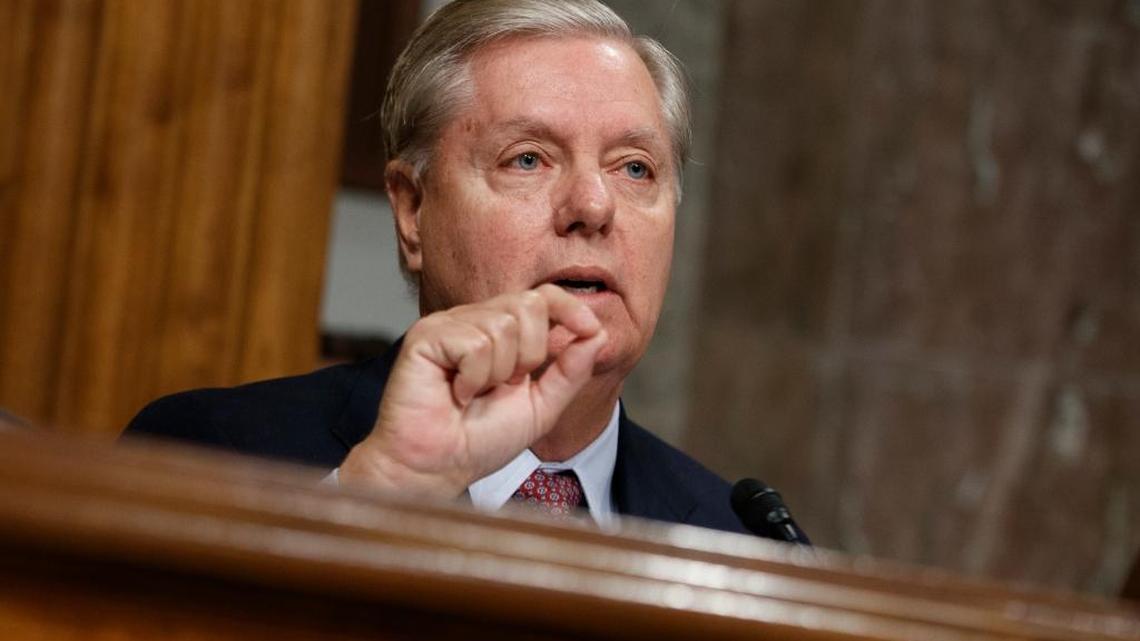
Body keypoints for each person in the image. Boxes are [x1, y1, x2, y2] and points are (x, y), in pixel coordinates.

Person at [126, 0, 764, 536]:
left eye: (634, 168)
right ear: (412, 210)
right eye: (528, 160)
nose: (594, 207)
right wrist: (371, 502)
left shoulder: (737, 539)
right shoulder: (208, 454)